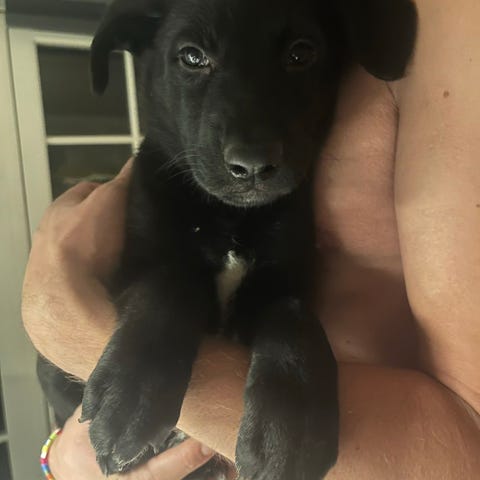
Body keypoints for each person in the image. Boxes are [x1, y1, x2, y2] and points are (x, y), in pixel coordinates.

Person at [22, 0, 480, 478]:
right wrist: (60, 461)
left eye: (298, 56)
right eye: (194, 58)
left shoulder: (438, 24)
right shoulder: (156, 187)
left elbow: (470, 432)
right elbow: (74, 422)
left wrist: (69, 328)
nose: (249, 153)